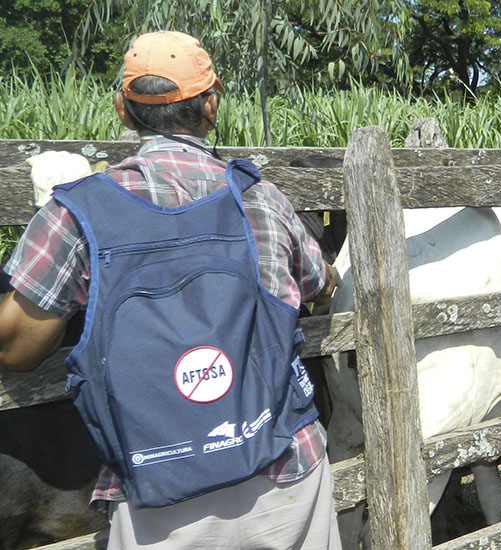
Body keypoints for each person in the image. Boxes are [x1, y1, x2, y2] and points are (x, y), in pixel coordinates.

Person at [0, 31, 340, 549]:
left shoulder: (74, 214)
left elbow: (17, 347)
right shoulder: (263, 199)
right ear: (211, 106)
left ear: (122, 109)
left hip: (159, 488)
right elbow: (319, 285)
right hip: (285, 472)